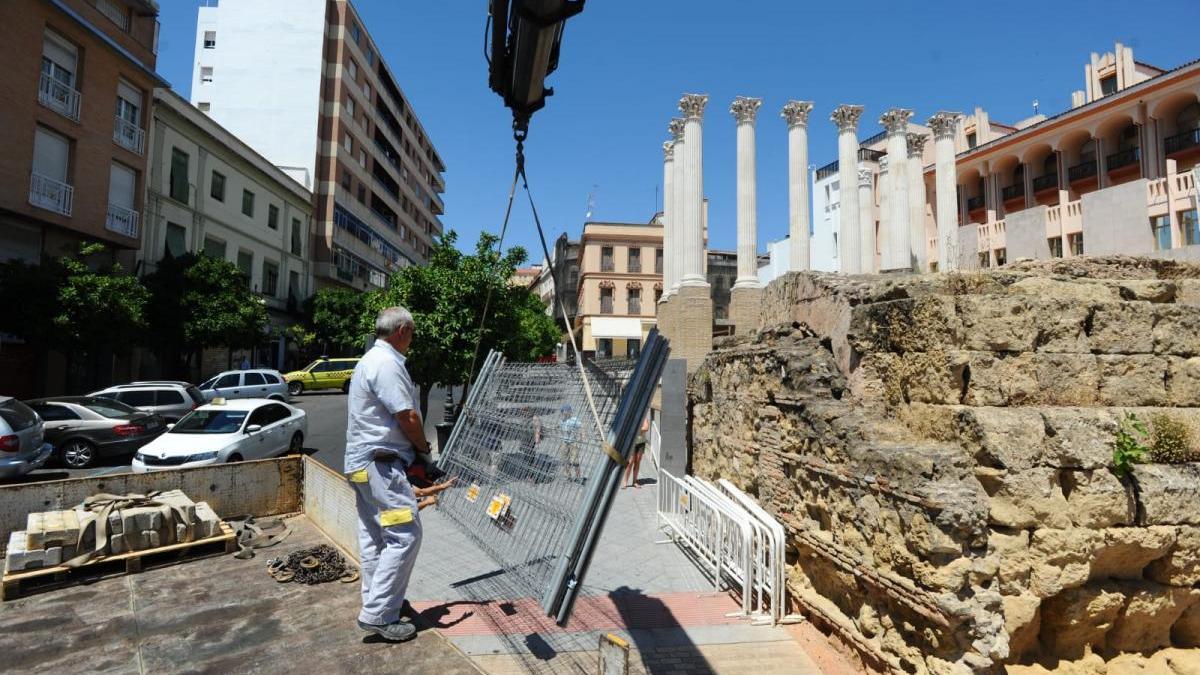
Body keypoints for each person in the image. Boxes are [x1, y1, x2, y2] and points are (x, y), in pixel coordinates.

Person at [344, 306, 454, 642]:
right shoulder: (388, 364)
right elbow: (407, 416)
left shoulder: (369, 360)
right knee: (405, 534)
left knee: (377, 536)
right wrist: (424, 452)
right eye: (413, 333)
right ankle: (379, 614)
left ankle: (379, 602)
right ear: (403, 330)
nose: (413, 339)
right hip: (380, 465)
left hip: (362, 465)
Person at [623, 415, 650, 489]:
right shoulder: (630, 417)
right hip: (632, 442)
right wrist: (640, 429)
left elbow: (646, 428)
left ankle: (634, 481)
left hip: (640, 443)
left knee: (637, 461)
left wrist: (635, 429)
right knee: (630, 462)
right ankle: (625, 482)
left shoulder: (643, 417)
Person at [558, 403, 582, 481]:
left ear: (569, 411)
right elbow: (560, 428)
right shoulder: (561, 420)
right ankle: (568, 476)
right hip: (564, 442)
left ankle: (578, 477)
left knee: (575, 461)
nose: (562, 412)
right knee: (565, 460)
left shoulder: (574, 420)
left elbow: (581, 426)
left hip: (573, 442)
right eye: (562, 411)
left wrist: (581, 437)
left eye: (564, 411)